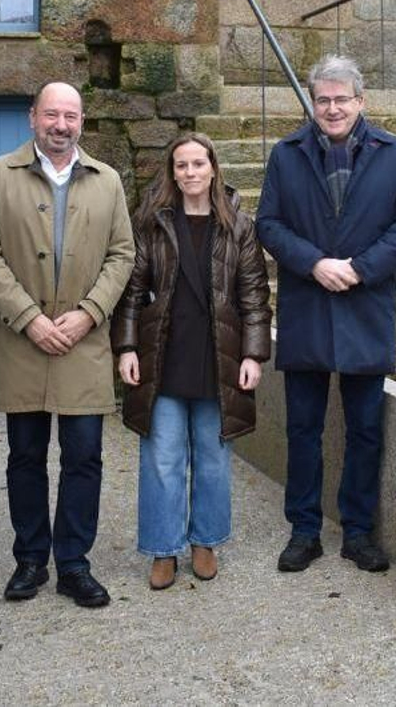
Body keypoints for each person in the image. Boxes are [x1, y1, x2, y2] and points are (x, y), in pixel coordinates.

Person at [254, 54, 396, 575]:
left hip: (365, 306)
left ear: (360, 101)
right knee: (303, 430)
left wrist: (361, 268)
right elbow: (269, 224)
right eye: (323, 100)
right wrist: (314, 263)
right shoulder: (286, 155)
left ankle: (357, 532)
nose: (332, 109)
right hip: (308, 307)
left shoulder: (393, 153)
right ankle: (304, 531)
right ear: (312, 103)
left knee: (365, 430)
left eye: (342, 100)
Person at [0, 81, 134, 608]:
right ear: (32, 117)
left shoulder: (107, 181)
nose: (61, 125)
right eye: (51, 115)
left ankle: (75, 563)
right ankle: (31, 560)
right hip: (23, 341)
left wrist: (89, 314)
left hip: (84, 341)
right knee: (25, 454)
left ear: (81, 121)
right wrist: (29, 318)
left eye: (71, 116)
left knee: (84, 456)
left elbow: (123, 255)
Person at [111, 133, 272, 589]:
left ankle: (205, 540)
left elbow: (254, 296)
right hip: (163, 355)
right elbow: (131, 291)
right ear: (173, 172)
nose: (190, 172)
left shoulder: (239, 225)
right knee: (162, 460)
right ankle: (164, 548)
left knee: (213, 459)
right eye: (181, 165)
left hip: (218, 357)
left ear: (213, 167)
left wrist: (253, 354)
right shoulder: (152, 221)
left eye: (198, 163)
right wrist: (126, 348)